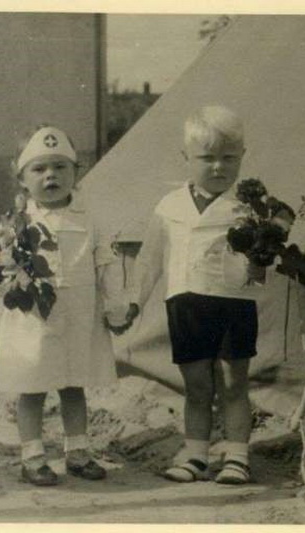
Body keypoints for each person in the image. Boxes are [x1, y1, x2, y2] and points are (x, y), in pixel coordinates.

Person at [121, 106, 265, 485]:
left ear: (242, 159)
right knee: (197, 386)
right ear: (186, 158)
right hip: (186, 305)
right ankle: (197, 453)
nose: (218, 167)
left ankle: (237, 456)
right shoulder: (169, 207)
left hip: (233, 305)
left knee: (234, 383)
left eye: (228, 158)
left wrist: (263, 255)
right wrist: (134, 302)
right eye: (207, 158)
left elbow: (261, 267)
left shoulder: (248, 209)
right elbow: (150, 260)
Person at [0, 125, 122, 486]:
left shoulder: (91, 217)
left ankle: (78, 451)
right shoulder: (18, 224)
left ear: (76, 173)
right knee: (33, 386)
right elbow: (1, 271)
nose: (50, 175)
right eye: (39, 169)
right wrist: (11, 281)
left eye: (60, 166)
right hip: (34, 320)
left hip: (79, 316)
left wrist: (116, 305)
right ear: (21, 178)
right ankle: (32, 456)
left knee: (73, 385)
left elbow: (106, 264)